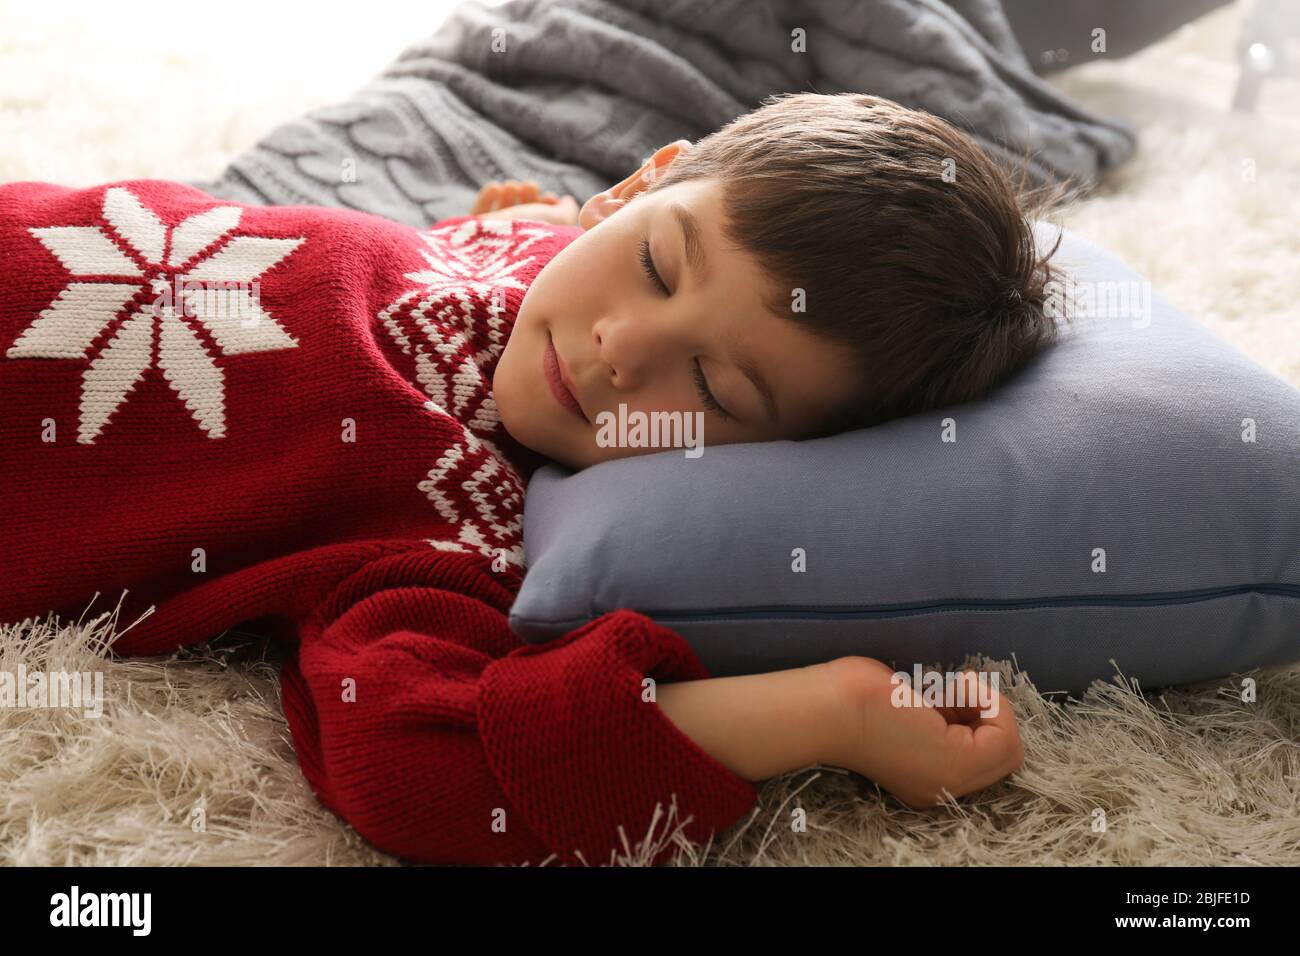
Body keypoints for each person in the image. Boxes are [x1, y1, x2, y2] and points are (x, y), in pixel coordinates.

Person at [1, 92, 1044, 866]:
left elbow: (423, 757)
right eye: (656, 265)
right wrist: (520, 219)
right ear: (635, 187)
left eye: (717, 389)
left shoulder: (460, 522)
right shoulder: (533, 247)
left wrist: (832, 710)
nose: (619, 347)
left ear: (770, 468)